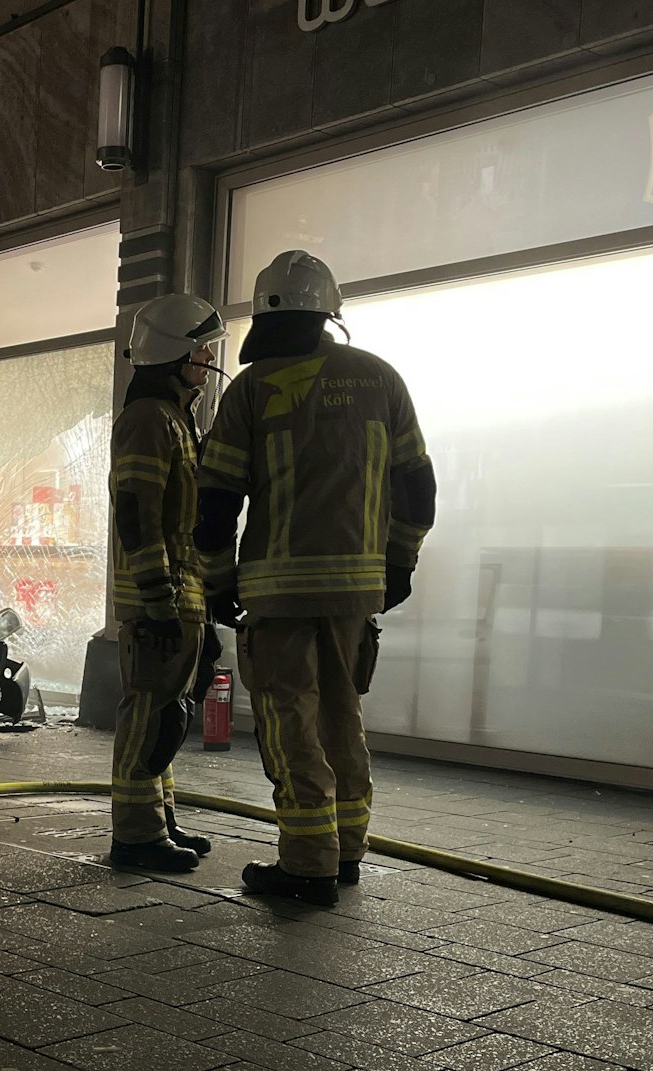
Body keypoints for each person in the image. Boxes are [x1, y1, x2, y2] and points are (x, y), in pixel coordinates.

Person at [195, 250, 435, 905]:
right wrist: (400, 561)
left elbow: (215, 500)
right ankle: (347, 848)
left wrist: (216, 582)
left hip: (278, 593)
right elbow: (418, 485)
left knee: (290, 721)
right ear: (328, 311)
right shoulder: (380, 380)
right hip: (357, 590)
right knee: (340, 716)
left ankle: (306, 864)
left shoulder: (252, 390)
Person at [106, 292, 228, 873]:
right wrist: (157, 600)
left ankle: (159, 819)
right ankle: (135, 835)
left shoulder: (173, 418)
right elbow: (137, 514)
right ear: (177, 355)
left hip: (182, 598)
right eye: (201, 351)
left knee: (167, 715)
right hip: (161, 600)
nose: (208, 361)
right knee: (148, 716)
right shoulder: (149, 420)